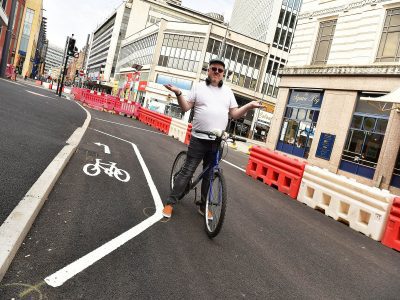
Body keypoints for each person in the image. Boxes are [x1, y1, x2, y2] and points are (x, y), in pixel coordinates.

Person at [162, 58, 263, 218]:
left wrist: (249, 105)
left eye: (220, 70)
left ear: (223, 74)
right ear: (208, 71)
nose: (216, 72)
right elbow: (185, 107)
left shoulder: (228, 92)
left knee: (209, 175)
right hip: (199, 139)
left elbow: (235, 114)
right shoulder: (199, 87)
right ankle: (170, 202)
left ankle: (203, 205)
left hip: (217, 141)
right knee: (188, 171)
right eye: (213, 69)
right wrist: (178, 93)